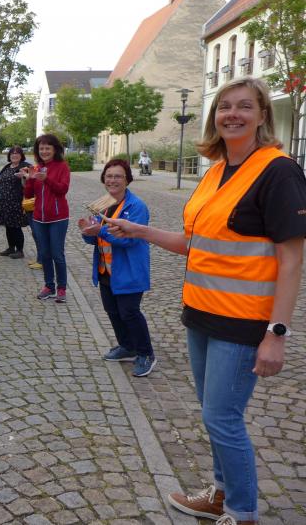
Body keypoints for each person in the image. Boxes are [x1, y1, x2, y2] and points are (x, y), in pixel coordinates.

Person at [105, 77, 306, 525]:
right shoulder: (215, 171)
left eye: (244, 106)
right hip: (200, 315)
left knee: (223, 418)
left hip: (243, 322)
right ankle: (220, 493)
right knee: (213, 415)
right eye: (224, 107)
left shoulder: (279, 171)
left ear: (262, 115)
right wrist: (140, 230)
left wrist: (276, 333)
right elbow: (193, 243)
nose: (232, 114)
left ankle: (242, 512)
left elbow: (292, 261)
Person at [77, 159, 156, 377]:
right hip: (106, 269)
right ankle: (127, 346)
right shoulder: (103, 202)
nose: (113, 180)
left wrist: (99, 231)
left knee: (129, 312)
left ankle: (146, 353)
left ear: (127, 180)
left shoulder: (136, 206)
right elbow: (95, 239)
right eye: (109, 176)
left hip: (129, 270)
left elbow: (130, 239)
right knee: (112, 311)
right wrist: (87, 231)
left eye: (118, 176)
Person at [19, 134, 71, 303]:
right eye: (41, 148)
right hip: (39, 218)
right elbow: (29, 194)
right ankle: (49, 286)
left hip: (58, 218)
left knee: (57, 254)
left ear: (55, 149)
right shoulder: (36, 167)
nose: (44, 151)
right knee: (45, 254)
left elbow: (62, 189)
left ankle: (61, 288)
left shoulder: (62, 167)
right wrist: (28, 179)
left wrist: (46, 179)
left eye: (48, 148)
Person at [0, 146, 31, 258]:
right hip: (4, 202)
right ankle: (11, 247)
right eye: (12, 153)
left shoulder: (25, 166)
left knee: (16, 226)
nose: (14, 155)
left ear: (21, 155)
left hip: (16, 202)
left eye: (17, 153)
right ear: (9, 155)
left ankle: (20, 250)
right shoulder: (7, 166)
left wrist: (24, 177)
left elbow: (30, 182)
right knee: (8, 225)